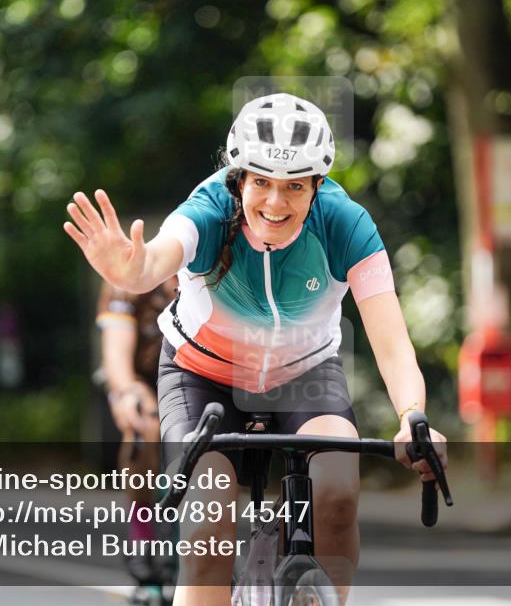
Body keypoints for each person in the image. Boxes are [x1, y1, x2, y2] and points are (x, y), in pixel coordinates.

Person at [65, 92, 448, 606]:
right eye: (261, 182)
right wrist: (133, 272)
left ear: (318, 184)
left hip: (305, 374)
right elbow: (156, 259)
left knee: (337, 493)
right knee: (209, 520)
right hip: (201, 375)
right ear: (238, 178)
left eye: (295, 186)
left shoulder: (346, 224)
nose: (275, 202)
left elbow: (392, 341)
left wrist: (412, 415)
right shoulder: (208, 209)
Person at [95, 277, 178, 605]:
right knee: (144, 426)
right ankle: (142, 540)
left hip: (198, 380)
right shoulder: (128, 281)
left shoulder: (215, 266)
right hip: (144, 381)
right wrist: (127, 391)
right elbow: (116, 352)